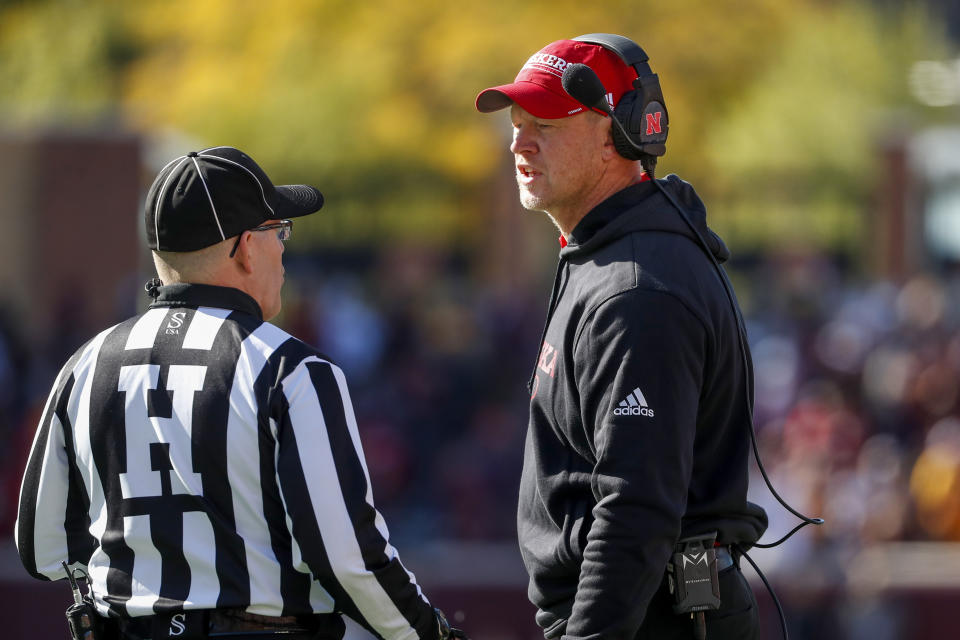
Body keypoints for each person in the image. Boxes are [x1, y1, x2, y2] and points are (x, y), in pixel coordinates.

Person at [15, 146, 466, 640]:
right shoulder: (291, 369)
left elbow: (43, 548)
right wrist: (429, 632)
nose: (284, 251)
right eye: (280, 232)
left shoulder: (85, 365)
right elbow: (346, 557)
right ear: (247, 246)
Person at [475, 36, 769, 640]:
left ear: (620, 134)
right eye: (517, 122)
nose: (519, 142)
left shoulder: (636, 290)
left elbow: (636, 510)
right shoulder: (606, 259)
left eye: (547, 123)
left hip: (654, 622)